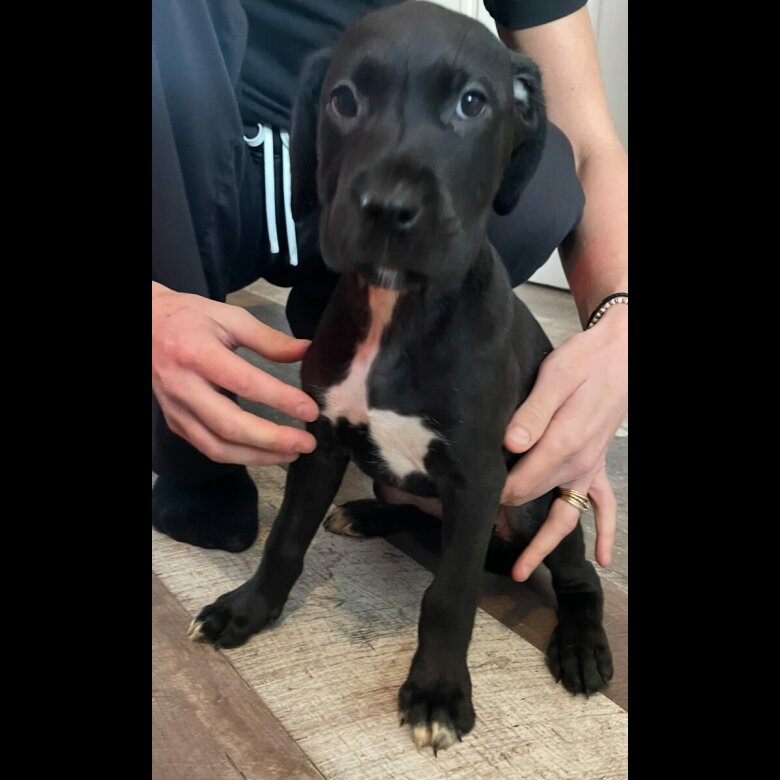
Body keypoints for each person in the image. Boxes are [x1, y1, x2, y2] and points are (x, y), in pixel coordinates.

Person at [152, 0, 628, 581]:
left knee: (549, 178)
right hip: (199, 140)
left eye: (467, 104)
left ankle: (365, 357)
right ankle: (189, 452)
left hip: (353, 182)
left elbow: (590, 144)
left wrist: (619, 331)